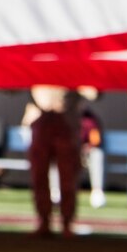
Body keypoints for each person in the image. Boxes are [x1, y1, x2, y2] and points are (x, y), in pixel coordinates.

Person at [24, 85, 83, 235]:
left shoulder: (74, 65)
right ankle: (44, 220)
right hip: (39, 120)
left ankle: (67, 222)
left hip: (66, 122)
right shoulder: (35, 66)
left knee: (68, 176)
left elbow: (94, 91)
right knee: (39, 175)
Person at [80, 100, 107, 208]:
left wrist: (86, 147)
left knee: (97, 154)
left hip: (86, 153)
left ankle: (97, 192)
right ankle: (56, 193)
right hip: (69, 151)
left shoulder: (90, 120)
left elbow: (95, 140)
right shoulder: (65, 117)